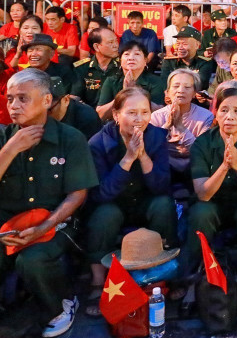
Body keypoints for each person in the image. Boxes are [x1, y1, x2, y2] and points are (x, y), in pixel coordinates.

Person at [0, 69, 97, 338]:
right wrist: (10, 149)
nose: (14, 106)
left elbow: (77, 194)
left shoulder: (70, 139)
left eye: (23, 99)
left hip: (56, 221)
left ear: (47, 100)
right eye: (10, 99)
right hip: (6, 223)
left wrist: (46, 225)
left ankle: (59, 305)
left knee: (33, 260)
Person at [83, 87, 175, 317]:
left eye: (145, 112)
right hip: (114, 203)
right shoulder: (98, 143)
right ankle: (98, 280)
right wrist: (128, 158)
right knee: (104, 214)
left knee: (164, 204)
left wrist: (143, 155)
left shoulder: (156, 136)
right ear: (116, 114)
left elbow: (161, 186)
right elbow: (101, 193)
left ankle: (165, 272)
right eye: (132, 112)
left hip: (146, 200)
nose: (139, 119)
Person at [185, 85, 237, 279]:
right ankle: (195, 276)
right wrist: (224, 166)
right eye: (224, 110)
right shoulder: (202, 143)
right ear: (216, 112)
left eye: (236, 111)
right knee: (201, 211)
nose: (229, 116)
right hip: (214, 202)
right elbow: (203, 194)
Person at [149, 68, 214, 177]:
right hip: (164, 168)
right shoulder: (156, 116)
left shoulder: (206, 117)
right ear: (167, 92)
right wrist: (166, 127)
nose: (180, 90)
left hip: (195, 169)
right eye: (176, 86)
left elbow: (203, 152)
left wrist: (181, 127)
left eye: (187, 87)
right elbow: (151, 148)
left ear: (194, 93)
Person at [96, 42, 166, 120]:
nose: (131, 58)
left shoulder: (155, 81)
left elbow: (159, 112)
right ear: (120, 60)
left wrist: (136, 91)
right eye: (126, 54)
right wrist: (124, 94)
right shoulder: (111, 81)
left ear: (145, 60)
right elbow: (101, 114)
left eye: (137, 54)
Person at [72, 27, 121, 108]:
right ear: (96, 47)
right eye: (110, 42)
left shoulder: (122, 65)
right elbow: (75, 96)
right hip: (89, 114)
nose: (116, 45)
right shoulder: (82, 67)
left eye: (116, 41)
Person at [161, 26, 216, 90]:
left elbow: (200, 84)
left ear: (197, 45)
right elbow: (164, 84)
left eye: (184, 44)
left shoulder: (204, 63)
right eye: (178, 44)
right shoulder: (169, 62)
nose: (180, 48)